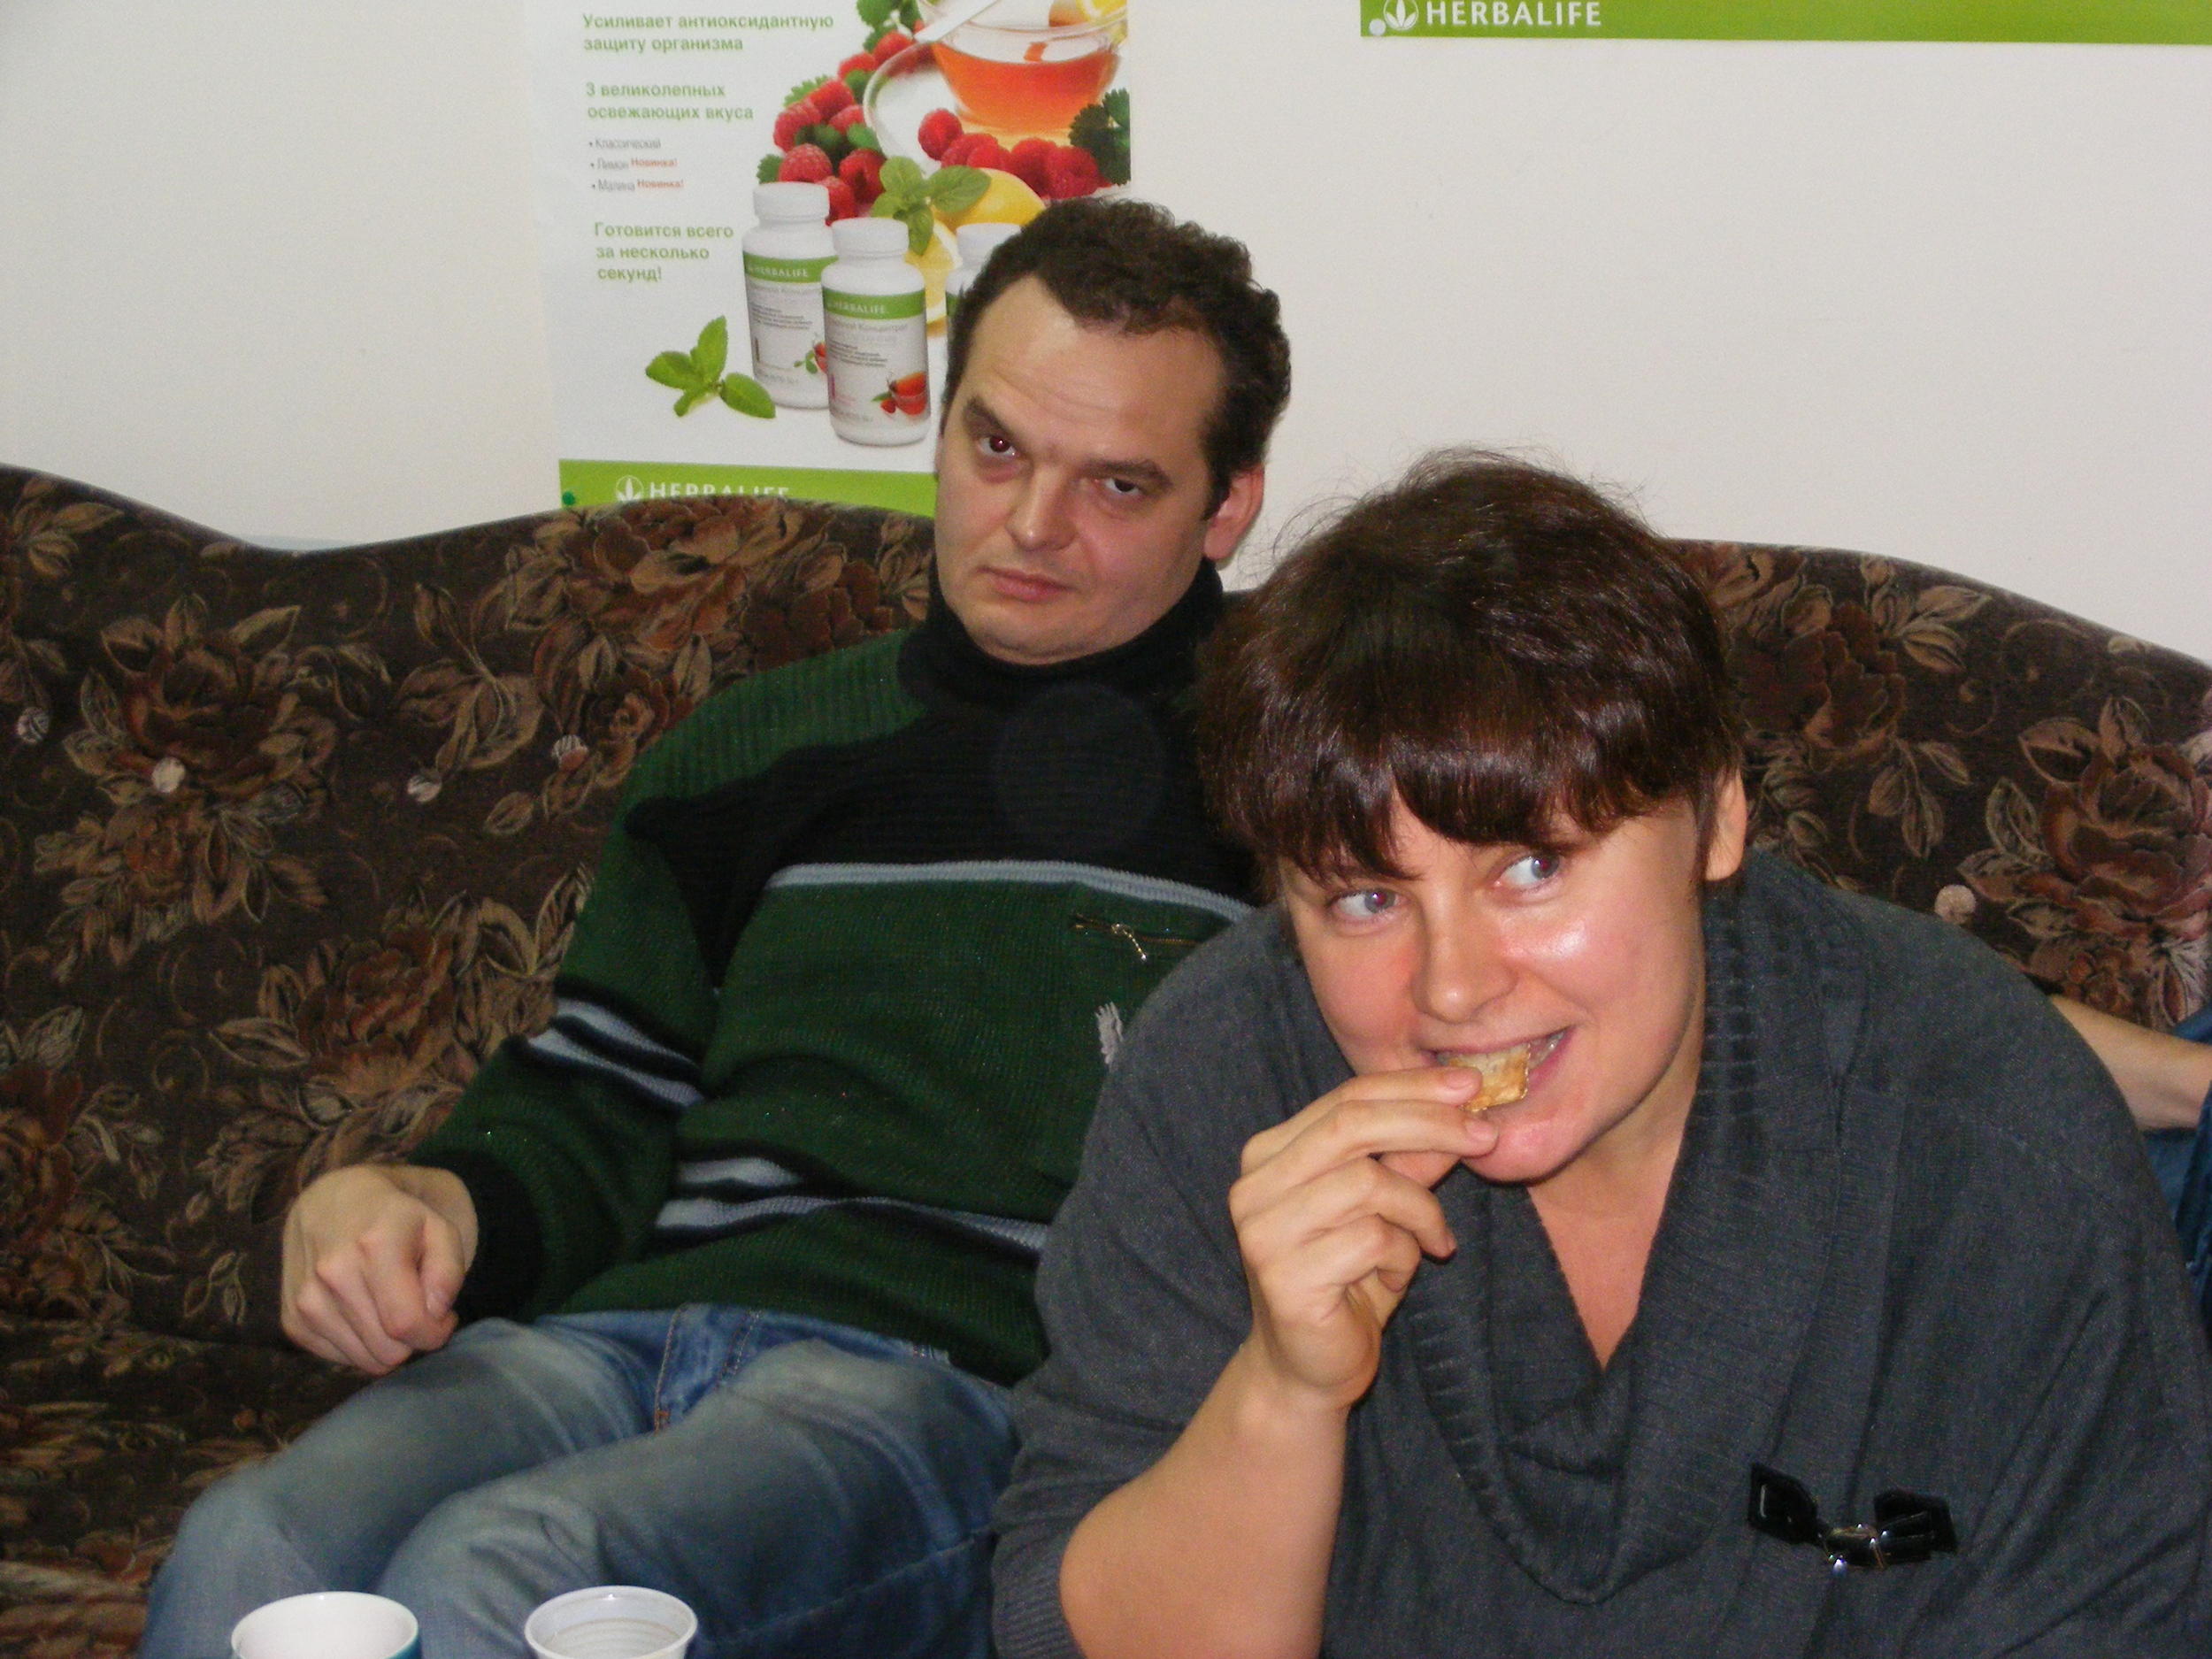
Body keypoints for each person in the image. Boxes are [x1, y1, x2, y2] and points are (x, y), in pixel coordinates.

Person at [140, 197, 1290, 1659]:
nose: (1031, 524)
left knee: (508, 1577)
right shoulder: (752, 748)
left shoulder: (1287, 783)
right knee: (255, 1545)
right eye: (996, 447)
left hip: (940, 1391)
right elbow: (603, 1095)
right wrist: (429, 1204)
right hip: (614, 1341)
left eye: (1118, 485)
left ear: (1226, 509)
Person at [992, 453, 2212, 1658]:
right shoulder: (1226, 1075)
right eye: (1365, 899)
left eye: (1533, 868)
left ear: (1717, 817)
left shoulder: (1983, 1128)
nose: (1452, 988)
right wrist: (1282, 1393)